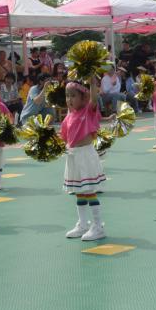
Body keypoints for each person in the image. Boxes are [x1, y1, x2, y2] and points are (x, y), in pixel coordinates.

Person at [61, 76, 108, 242]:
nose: (69, 99)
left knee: (89, 191)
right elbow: (63, 138)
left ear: (83, 98)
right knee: (78, 192)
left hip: (85, 155)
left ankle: (98, 226)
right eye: (67, 96)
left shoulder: (88, 111)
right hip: (72, 156)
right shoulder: (68, 117)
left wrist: (92, 82)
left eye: (73, 95)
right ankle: (82, 224)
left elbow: (94, 99)